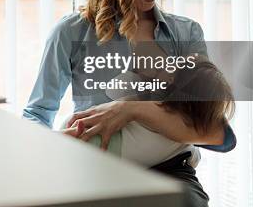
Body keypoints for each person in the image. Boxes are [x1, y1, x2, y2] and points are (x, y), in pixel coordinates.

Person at [23, 0, 236, 207]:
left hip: (170, 175)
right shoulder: (70, 33)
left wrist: (132, 109)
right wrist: (59, 145)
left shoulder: (185, 33)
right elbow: (36, 115)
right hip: (97, 171)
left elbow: (216, 133)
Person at [62, 59, 235, 167]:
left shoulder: (156, 106)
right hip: (98, 149)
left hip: (84, 131)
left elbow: (113, 88)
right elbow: (222, 142)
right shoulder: (181, 138)